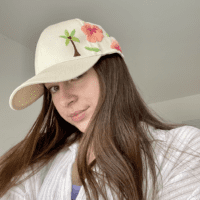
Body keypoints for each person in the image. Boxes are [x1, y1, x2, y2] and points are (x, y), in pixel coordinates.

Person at [0, 18, 200, 200]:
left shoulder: (182, 148)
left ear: (110, 72)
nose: (64, 100)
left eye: (76, 76)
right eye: (53, 88)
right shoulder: (43, 164)